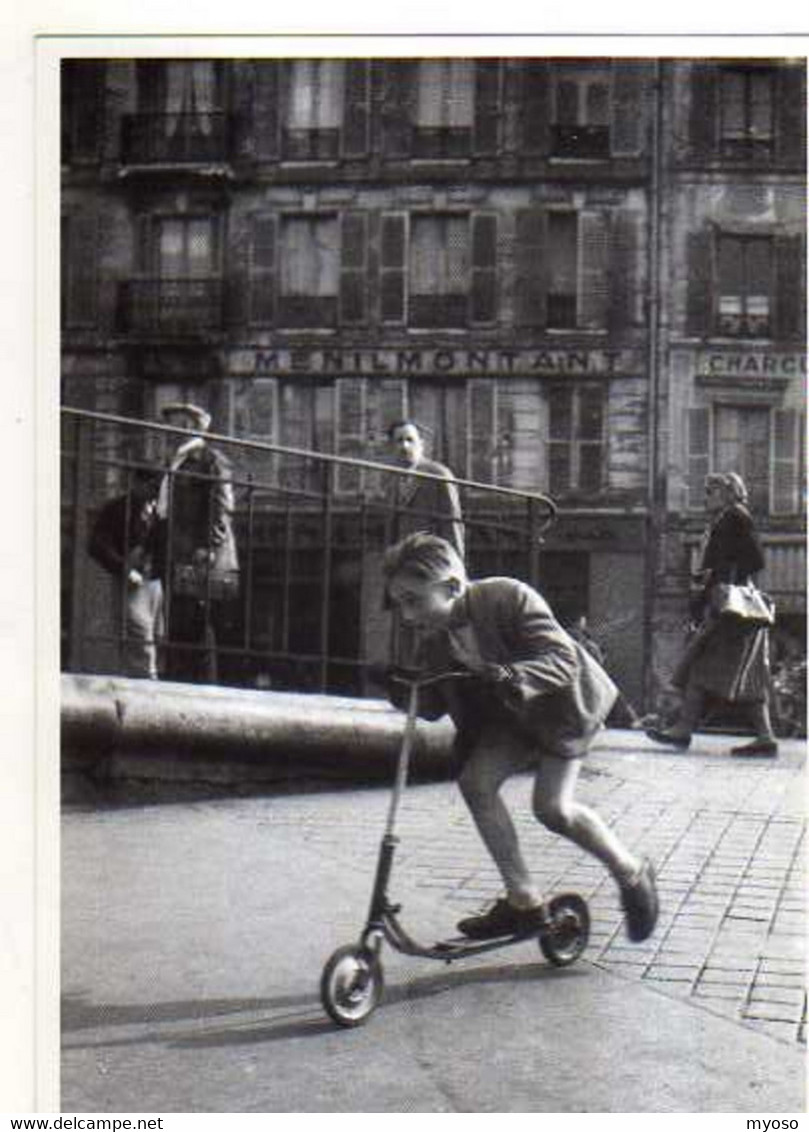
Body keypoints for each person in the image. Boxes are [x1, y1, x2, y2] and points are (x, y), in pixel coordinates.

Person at [383, 532, 659, 943]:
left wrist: (513, 675)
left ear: (453, 587)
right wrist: (402, 688)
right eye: (400, 603)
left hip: (563, 707)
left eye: (414, 600)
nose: (407, 615)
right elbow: (435, 701)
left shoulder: (507, 597)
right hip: (512, 716)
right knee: (476, 784)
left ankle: (631, 873)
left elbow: (562, 659)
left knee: (552, 809)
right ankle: (524, 900)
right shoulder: (435, 637)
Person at [646, 471, 778, 757]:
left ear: (729, 492)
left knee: (700, 665)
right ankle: (765, 737)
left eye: (712, 490)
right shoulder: (731, 518)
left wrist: (724, 585)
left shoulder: (733, 517)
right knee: (749, 674)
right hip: (738, 609)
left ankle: (682, 730)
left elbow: (753, 559)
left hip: (731, 609)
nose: (706, 496)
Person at [155, 402, 240, 684]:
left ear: (191, 426)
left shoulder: (210, 459)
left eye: (175, 422)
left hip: (198, 555)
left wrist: (209, 546)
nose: (168, 428)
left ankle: (203, 687)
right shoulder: (174, 460)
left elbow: (223, 506)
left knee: (199, 624)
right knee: (178, 622)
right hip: (175, 550)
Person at [87, 467, 163, 679]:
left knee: (154, 642)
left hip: (156, 585)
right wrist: (124, 570)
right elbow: (96, 545)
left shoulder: (159, 510)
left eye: (158, 487)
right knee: (140, 645)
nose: (155, 491)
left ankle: (148, 688)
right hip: (131, 585)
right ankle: (146, 695)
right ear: (136, 483)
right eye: (151, 486)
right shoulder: (117, 509)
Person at [386, 420, 465, 559]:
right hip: (404, 557)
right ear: (392, 446)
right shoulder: (393, 477)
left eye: (410, 440)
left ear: (421, 444)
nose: (405, 446)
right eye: (399, 441)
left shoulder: (438, 474)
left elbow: (452, 522)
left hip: (432, 557)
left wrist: (456, 562)